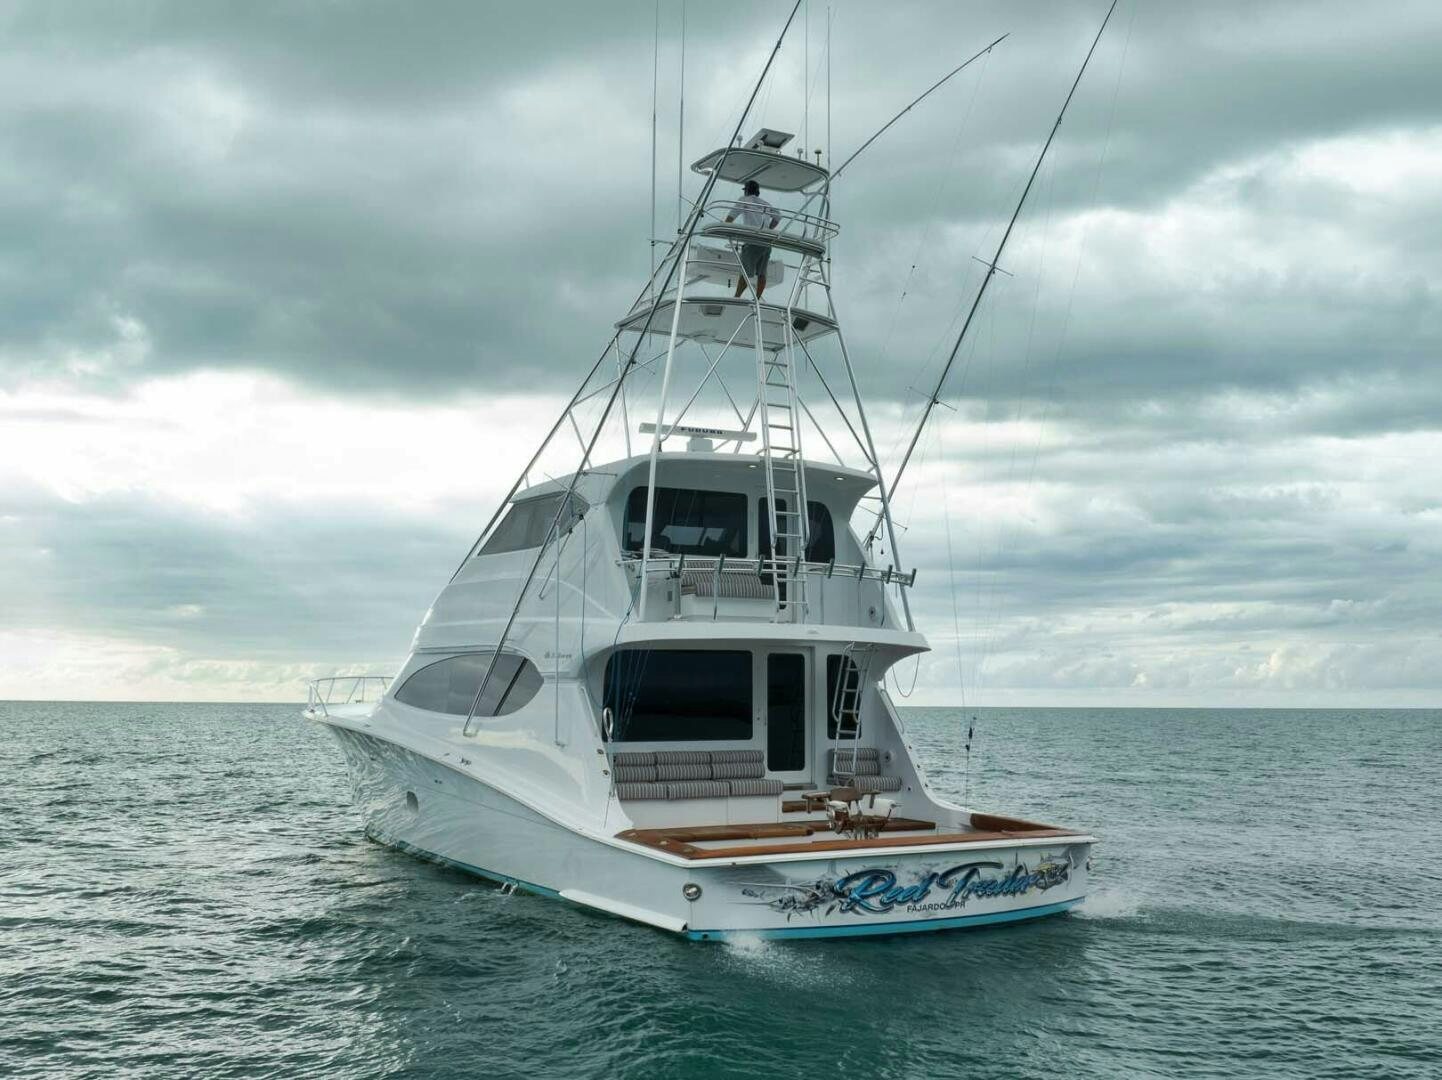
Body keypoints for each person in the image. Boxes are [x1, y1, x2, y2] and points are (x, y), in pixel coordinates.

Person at [724, 179, 780, 299]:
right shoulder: (765, 203)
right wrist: (769, 228)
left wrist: (725, 228)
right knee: (762, 273)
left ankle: (736, 297)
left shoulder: (744, 200)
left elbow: (730, 218)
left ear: (747, 191)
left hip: (752, 241)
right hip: (766, 242)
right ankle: (757, 299)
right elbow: (778, 217)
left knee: (745, 272)